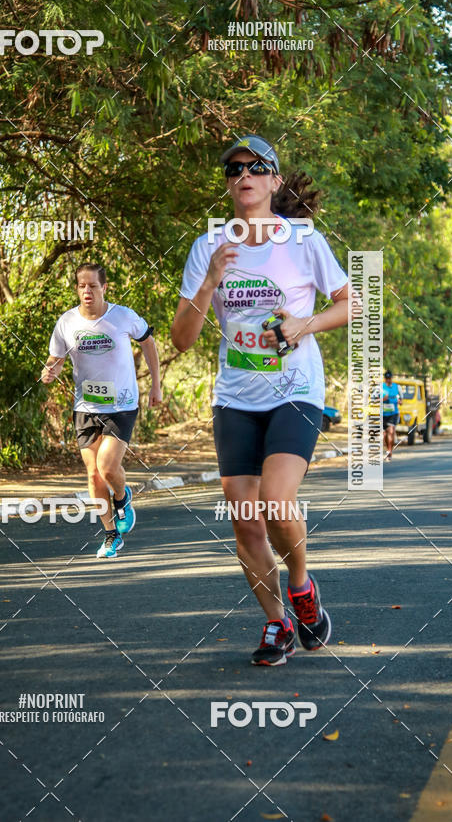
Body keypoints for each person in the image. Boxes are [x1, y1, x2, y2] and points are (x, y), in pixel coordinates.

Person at [171, 134, 350, 666]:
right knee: (247, 520)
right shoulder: (206, 247)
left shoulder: (304, 242)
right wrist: (209, 282)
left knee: (274, 498)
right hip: (236, 397)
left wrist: (304, 324)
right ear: (228, 184)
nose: (243, 176)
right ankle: (277, 622)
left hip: (295, 390)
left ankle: (301, 585)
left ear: (273, 180)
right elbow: (181, 339)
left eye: (254, 168)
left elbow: (353, 303)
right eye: (234, 170)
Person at [41, 262, 162, 558]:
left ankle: (122, 496)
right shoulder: (67, 322)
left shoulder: (122, 316)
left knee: (107, 466)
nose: (87, 291)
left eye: (93, 286)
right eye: (82, 286)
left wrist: (156, 385)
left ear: (104, 287)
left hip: (121, 404)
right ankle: (110, 535)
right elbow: (56, 359)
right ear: (76, 289)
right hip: (85, 406)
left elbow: (148, 343)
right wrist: (50, 371)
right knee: (94, 474)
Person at [382, 370, 403, 460]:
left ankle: (390, 451)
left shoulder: (397, 387)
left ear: (391, 378)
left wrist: (400, 401)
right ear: (385, 379)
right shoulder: (380, 387)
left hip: (393, 413)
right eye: (387, 378)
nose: (388, 380)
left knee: (391, 431)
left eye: (389, 378)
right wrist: (383, 399)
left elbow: (401, 400)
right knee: (384, 434)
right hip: (383, 414)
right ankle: (388, 449)